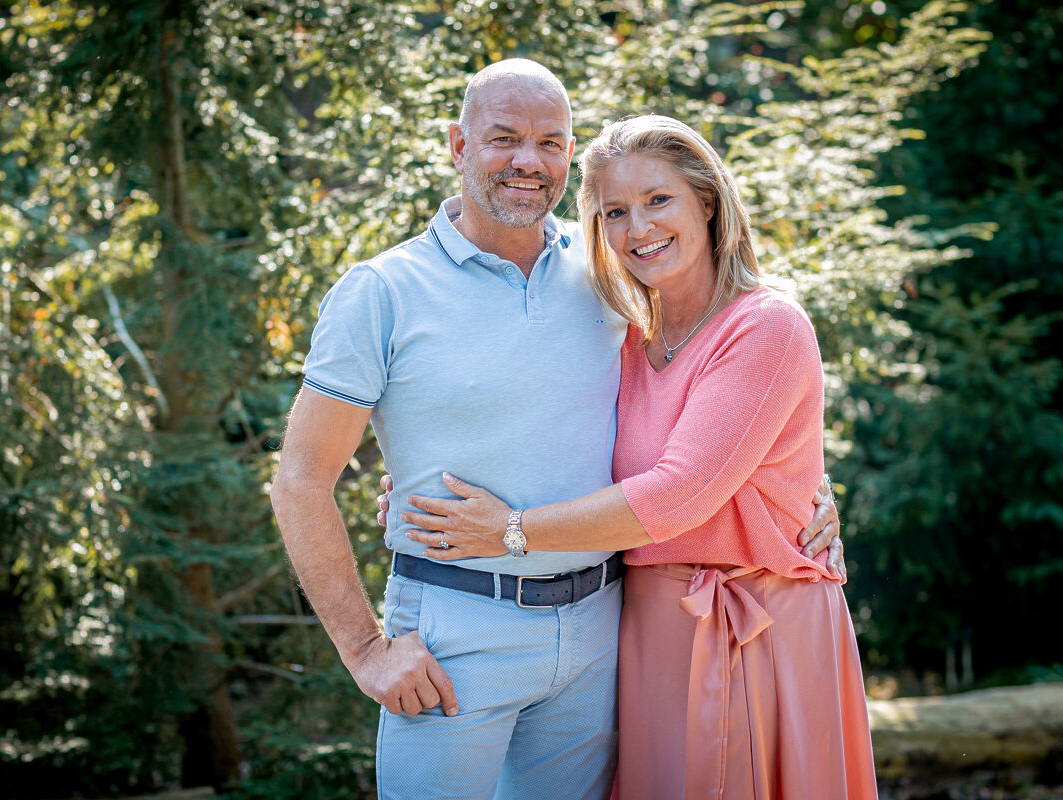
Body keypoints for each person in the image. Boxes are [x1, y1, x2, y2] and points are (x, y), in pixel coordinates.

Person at [270, 59, 842, 800]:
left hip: (606, 631)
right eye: (503, 138)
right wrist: (364, 648)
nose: (526, 161)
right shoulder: (383, 291)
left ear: (569, 155)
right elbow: (300, 478)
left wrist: (802, 494)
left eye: (549, 141)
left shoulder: (610, 277)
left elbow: (716, 408)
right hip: (456, 627)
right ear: (457, 145)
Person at [400, 114, 878, 798]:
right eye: (615, 211)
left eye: (659, 201)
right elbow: (540, 427)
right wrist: (428, 477)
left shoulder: (765, 324)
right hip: (647, 629)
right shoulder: (625, 338)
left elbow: (681, 491)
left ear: (706, 203)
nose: (639, 228)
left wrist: (510, 531)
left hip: (756, 625)